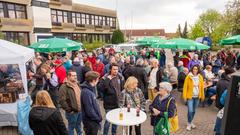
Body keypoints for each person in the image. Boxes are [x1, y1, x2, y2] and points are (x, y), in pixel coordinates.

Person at [98, 63, 125, 135]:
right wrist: (107, 80)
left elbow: (122, 89)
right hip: (109, 104)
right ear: (110, 69)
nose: (116, 71)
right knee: (108, 122)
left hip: (118, 103)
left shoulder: (120, 77)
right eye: (114, 69)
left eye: (117, 69)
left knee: (115, 121)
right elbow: (100, 89)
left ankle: (114, 133)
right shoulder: (105, 78)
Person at [59, 70, 82, 135]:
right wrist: (69, 110)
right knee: (71, 127)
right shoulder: (64, 87)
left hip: (80, 110)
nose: (75, 77)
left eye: (76, 75)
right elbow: (62, 100)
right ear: (68, 77)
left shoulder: (77, 84)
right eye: (73, 75)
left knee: (79, 125)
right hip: (72, 112)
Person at [183, 65, 205, 131]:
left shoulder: (200, 77)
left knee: (194, 111)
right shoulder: (188, 77)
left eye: (196, 69)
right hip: (190, 97)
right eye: (194, 69)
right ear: (192, 69)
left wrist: (202, 96)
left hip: (197, 97)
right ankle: (189, 123)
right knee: (190, 110)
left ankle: (191, 121)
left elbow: (202, 87)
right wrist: (184, 96)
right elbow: (185, 87)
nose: (195, 70)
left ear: (198, 70)